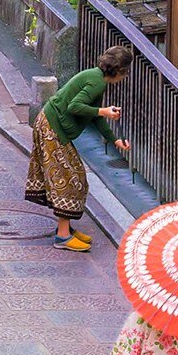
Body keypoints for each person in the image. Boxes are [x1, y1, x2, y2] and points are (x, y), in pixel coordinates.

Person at [26, 43, 130, 252]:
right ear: (120, 71)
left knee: (73, 176)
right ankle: (62, 236)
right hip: (52, 129)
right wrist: (103, 111)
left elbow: (92, 114)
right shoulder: (96, 82)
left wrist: (114, 139)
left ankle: (65, 229)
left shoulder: (96, 78)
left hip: (51, 125)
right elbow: (76, 107)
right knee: (72, 179)